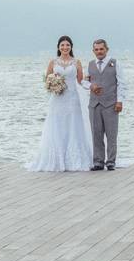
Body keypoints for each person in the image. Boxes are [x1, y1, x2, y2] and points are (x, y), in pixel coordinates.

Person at [26, 36, 92, 171]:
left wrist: (91, 85)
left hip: (73, 98)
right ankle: (56, 159)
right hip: (57, 99)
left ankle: (75, 159)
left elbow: (80, 81)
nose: (65, 47)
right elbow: (47, 80)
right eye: (62, 45)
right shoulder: (53, 62)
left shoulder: (77, 62)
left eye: (68, 45)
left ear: (71, 47)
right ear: (58, 47)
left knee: (73, 125)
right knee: (57, 125)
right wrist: (53, 85)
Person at [87, 38, 126, 171]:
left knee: (111, 134)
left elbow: (122, 83)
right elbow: (83, 81)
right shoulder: (90, 64)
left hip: (111, 103)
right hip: (94, 104)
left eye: (101, 49)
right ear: (93, 51)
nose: (99, 51)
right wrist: (90, 86)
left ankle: (110, 161)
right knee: (96, 134)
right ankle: (98, 161)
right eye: (96, 49)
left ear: (106, 49)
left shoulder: (115, 63)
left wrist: (120, 100)